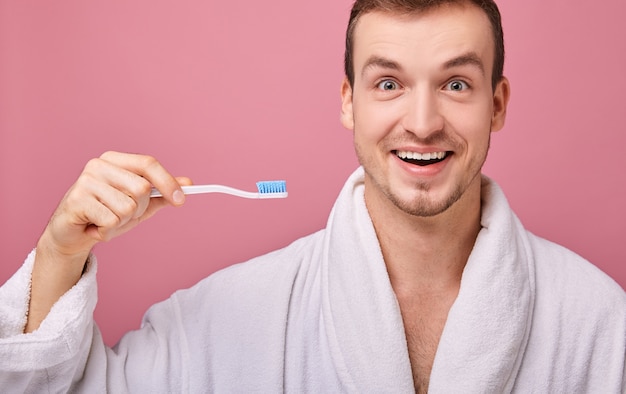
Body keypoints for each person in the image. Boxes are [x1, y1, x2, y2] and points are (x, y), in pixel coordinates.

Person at [1, 0, 624, 392]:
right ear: (348, 102)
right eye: (388, 84)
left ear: (498, 104)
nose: (424, 121)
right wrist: (60, 252)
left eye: (456, 83)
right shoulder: (231, 314)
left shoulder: (599, 323)